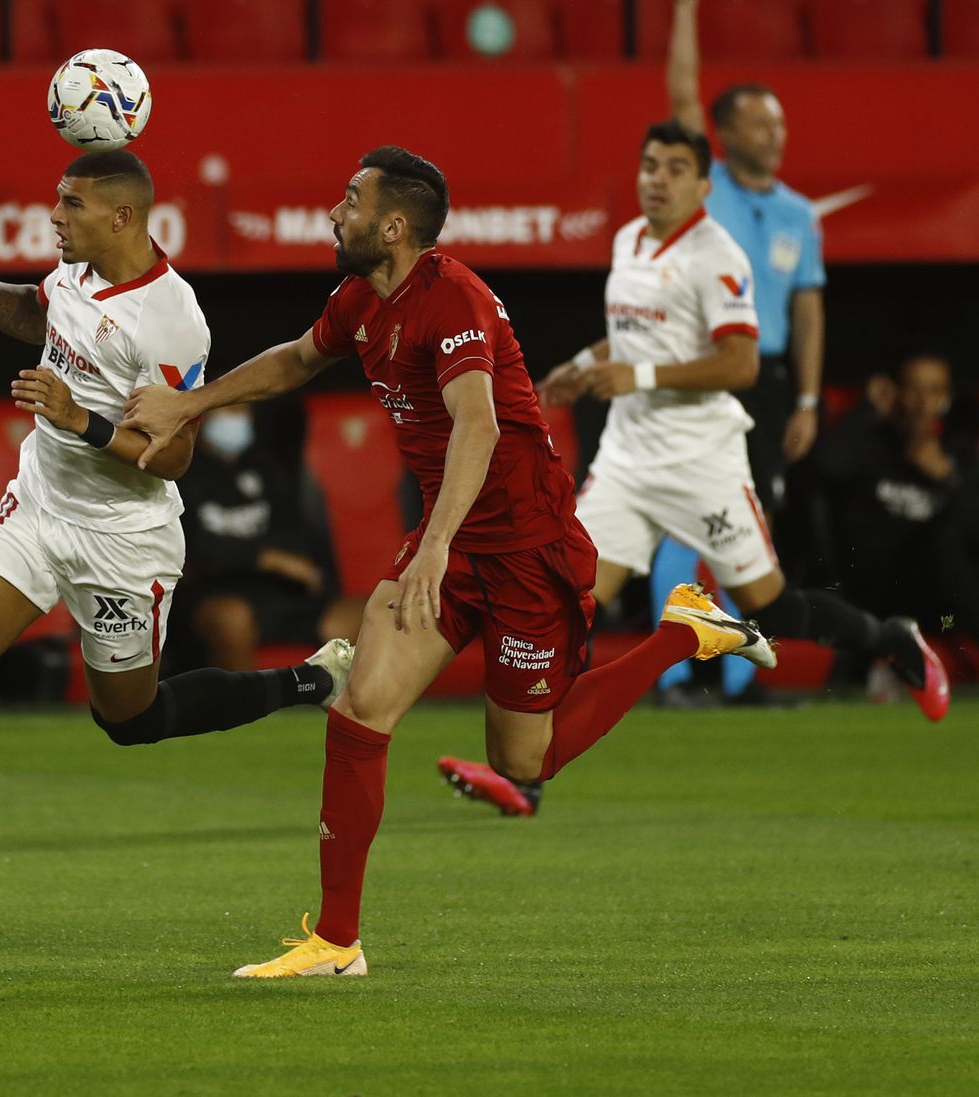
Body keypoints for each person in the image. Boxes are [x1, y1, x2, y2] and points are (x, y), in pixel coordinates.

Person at [124, 145, 775, 978]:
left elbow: (481, 425)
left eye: (349, 200)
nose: (334, 212)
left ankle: (684, 632)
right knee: (361, 707)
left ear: (394, 226)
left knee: (522, 761)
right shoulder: (362, 295)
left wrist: (432, 545)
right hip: (448, 537)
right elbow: (295, 357)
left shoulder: (454, 299)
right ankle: (337, 941)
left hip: (527, 550)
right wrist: (191, 402)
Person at [0, 150, 354, 925]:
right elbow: (38, 315)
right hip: (41, 505)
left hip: (123, 537)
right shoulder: (74, 274)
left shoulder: (170, 317)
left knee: (131, 720)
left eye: (71, 204)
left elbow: (176, 454)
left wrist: (76, 417)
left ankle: (309, 682)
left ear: (121, 216)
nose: (55, 216)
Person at [439, 122, 949, 814]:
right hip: (627, 458)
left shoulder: (718, 255)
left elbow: (740, 360)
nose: (658, 178)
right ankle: (524, 773)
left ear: (704, 185)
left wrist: (637, 373)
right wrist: (584, 368)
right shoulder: (628, 240)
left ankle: (893, 638)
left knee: (772, 604)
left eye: (676, 168)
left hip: (702, 458)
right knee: (566, 601)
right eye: (650, 164)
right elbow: (629, 335)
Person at [646, 0, 830, 706]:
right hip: (705, 371)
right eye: (761, 122)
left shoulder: (798, 213)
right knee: (682, 519)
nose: (776, 134)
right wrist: (687, 11)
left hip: (771, 376)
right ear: (724, 134)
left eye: (780, 122)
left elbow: (807, 310)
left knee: (756, 524)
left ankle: (738, 676)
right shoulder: (704, 187)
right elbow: (683, 92)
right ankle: (672, 673)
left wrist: (808, 399)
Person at [818, 355, 979, 681]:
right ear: (896, 393)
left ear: (947, 398)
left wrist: (949, 479)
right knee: (938, 536)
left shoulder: (957, 450)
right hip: (892, 594)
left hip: (953, 605)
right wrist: (866, 410)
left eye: (935, 392)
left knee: (952, 537)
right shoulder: (872, 443)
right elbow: (826, 468)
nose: (924, 403)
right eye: (913, 390)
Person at [173, 405, 365, 672]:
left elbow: (297, 534)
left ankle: (345, 708)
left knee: (371, 614)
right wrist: (265, 559)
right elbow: (195, 547)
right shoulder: (180, 476)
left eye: (243, 413)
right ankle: (248, 708)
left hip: (283, 595)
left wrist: (305, 570)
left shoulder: (268, 469)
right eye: (227, 413)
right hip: (217, 595)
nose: (237, 422)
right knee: (233, 620)